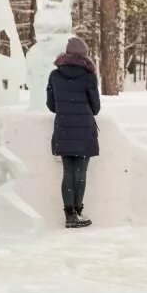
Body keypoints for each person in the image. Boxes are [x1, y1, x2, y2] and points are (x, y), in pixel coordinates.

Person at [46, 37, 100, 229]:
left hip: (63, 128)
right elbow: (96, 108)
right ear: (84, 56)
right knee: (80, 171)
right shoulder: (89, 76)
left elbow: (51, 105)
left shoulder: (54, 75)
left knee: (68, 172)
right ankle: (78, 211)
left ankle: (69, 215)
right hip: (84, 128)